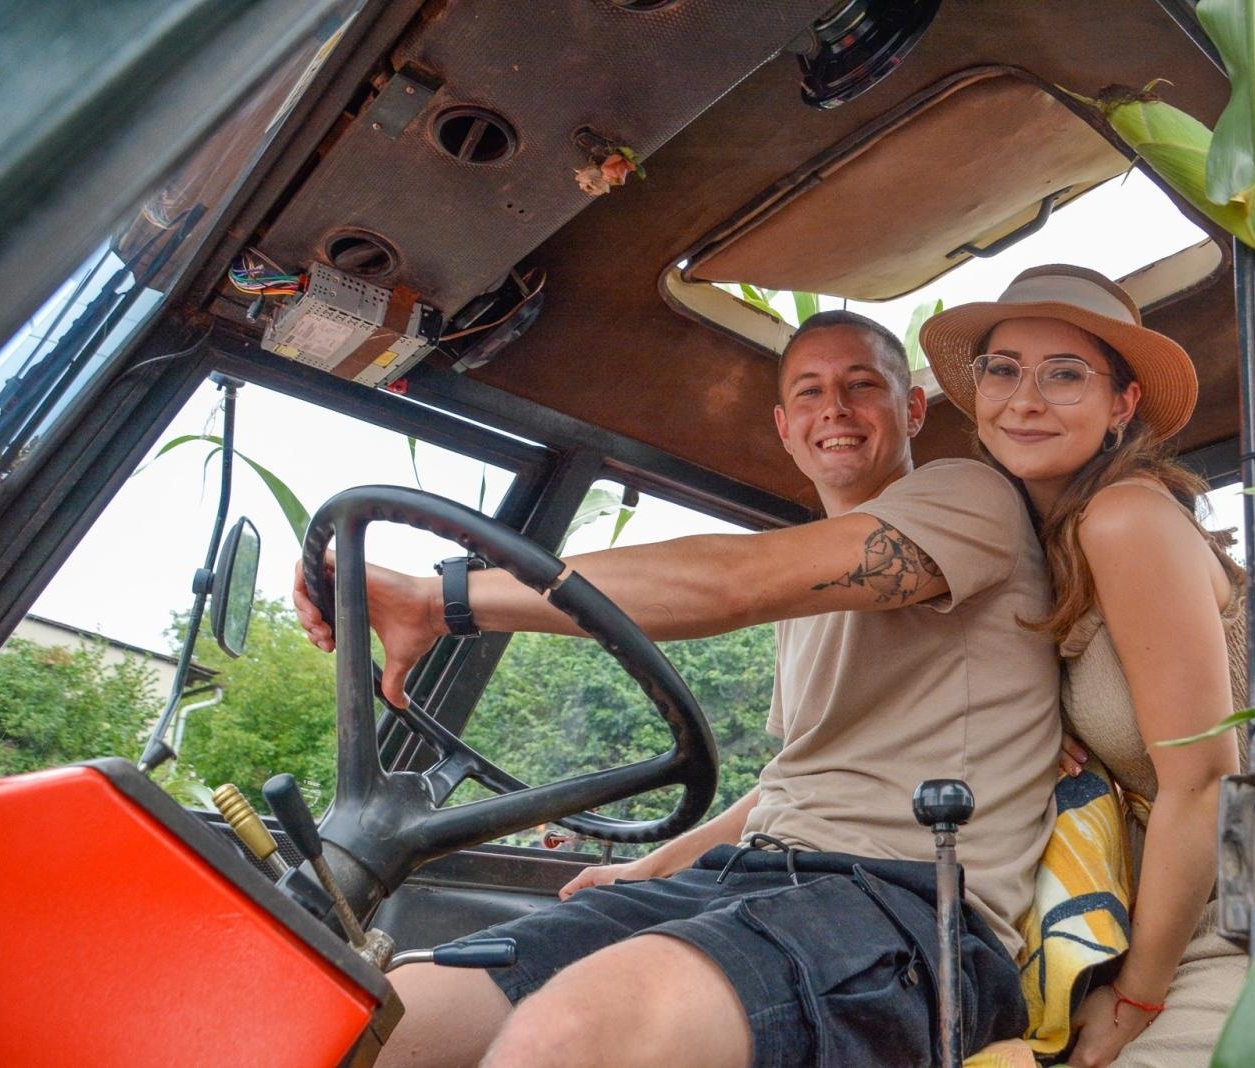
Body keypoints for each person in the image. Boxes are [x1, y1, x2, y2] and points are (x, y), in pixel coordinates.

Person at [294, 310, 1064, 1068]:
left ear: (912, 409)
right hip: (746, 877)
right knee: (390, 1010)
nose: (834, 408)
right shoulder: (815, 599)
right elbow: (789, 783)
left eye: (862, 385)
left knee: (573, 1033)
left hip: (905, 908)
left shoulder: (970, 498)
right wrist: (652, 866)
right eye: (809, 391)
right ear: (784, 425)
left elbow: (732, 582)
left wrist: (441, 601)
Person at [923, 265, 1249, 1068]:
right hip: (1112, 914)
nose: (1024, 399)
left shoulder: (1127, 518)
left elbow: (1203, 784)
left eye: (1065, 375)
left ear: (1122, 406)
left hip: (1247, 905)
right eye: (1004, 370)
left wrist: (1137, 999)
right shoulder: (1031, 552)